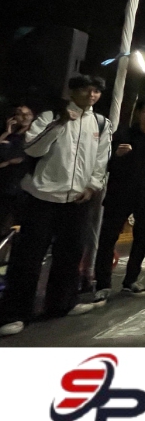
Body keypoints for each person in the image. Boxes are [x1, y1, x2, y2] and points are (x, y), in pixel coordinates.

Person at [0, 76, 112, 337]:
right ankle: (15, 312)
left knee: (70, 254)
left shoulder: (101, 123)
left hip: (77, 199)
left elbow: (101, 159)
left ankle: (62, 304)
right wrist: (60, 124)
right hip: (41, 197)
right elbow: (33, 149)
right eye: (86, 90)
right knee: (28, 257)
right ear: (72, 92)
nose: (92, 95)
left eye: (96, 91)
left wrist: (92, 186)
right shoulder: (49, 116)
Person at [91, 99, 145, 305]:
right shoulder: (121, 135)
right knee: (108, 239)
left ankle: (131, 281)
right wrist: (117, 155)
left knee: (141, 240)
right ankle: (102, 285)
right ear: (139, 113)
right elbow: (103, 164)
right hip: (120, 196)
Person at [0, 105, 34, 233]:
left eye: (28, 113)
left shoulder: (31, 135)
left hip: (17, 183)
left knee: (8, 220)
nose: (25, 117)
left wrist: (8, 161)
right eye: (20, 113)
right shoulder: (12, 134)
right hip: (4, 180)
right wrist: (7, 132)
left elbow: (20, 157)